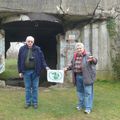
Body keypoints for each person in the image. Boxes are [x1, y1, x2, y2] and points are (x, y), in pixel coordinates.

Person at [64, 42, 97, 114]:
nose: (79, 49)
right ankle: (80, 105)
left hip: (87, 77)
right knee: (80, 92)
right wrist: (66, 68)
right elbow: (72, 64)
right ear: (76, 49)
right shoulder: (75, 56)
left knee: (88, 92)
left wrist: (93, 59)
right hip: (78, 76)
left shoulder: (88, 55)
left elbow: (95, 61)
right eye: (77, 48)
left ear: (83, 48)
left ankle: (88, 108)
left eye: (80, 48)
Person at [18, 36, 49, 109]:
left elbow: (42, 59)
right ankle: (28, 102)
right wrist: (20, 71)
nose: (30, 43)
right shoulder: (22, 49)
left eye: (31, 41)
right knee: (27, 88)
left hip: (35, 71)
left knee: (35, 88)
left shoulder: (37, 49)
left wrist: (46, 66)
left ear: (33, 42)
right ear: (26, 41)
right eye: (28, 41)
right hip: (26, 72)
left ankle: (35, 103)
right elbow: (19, 61)